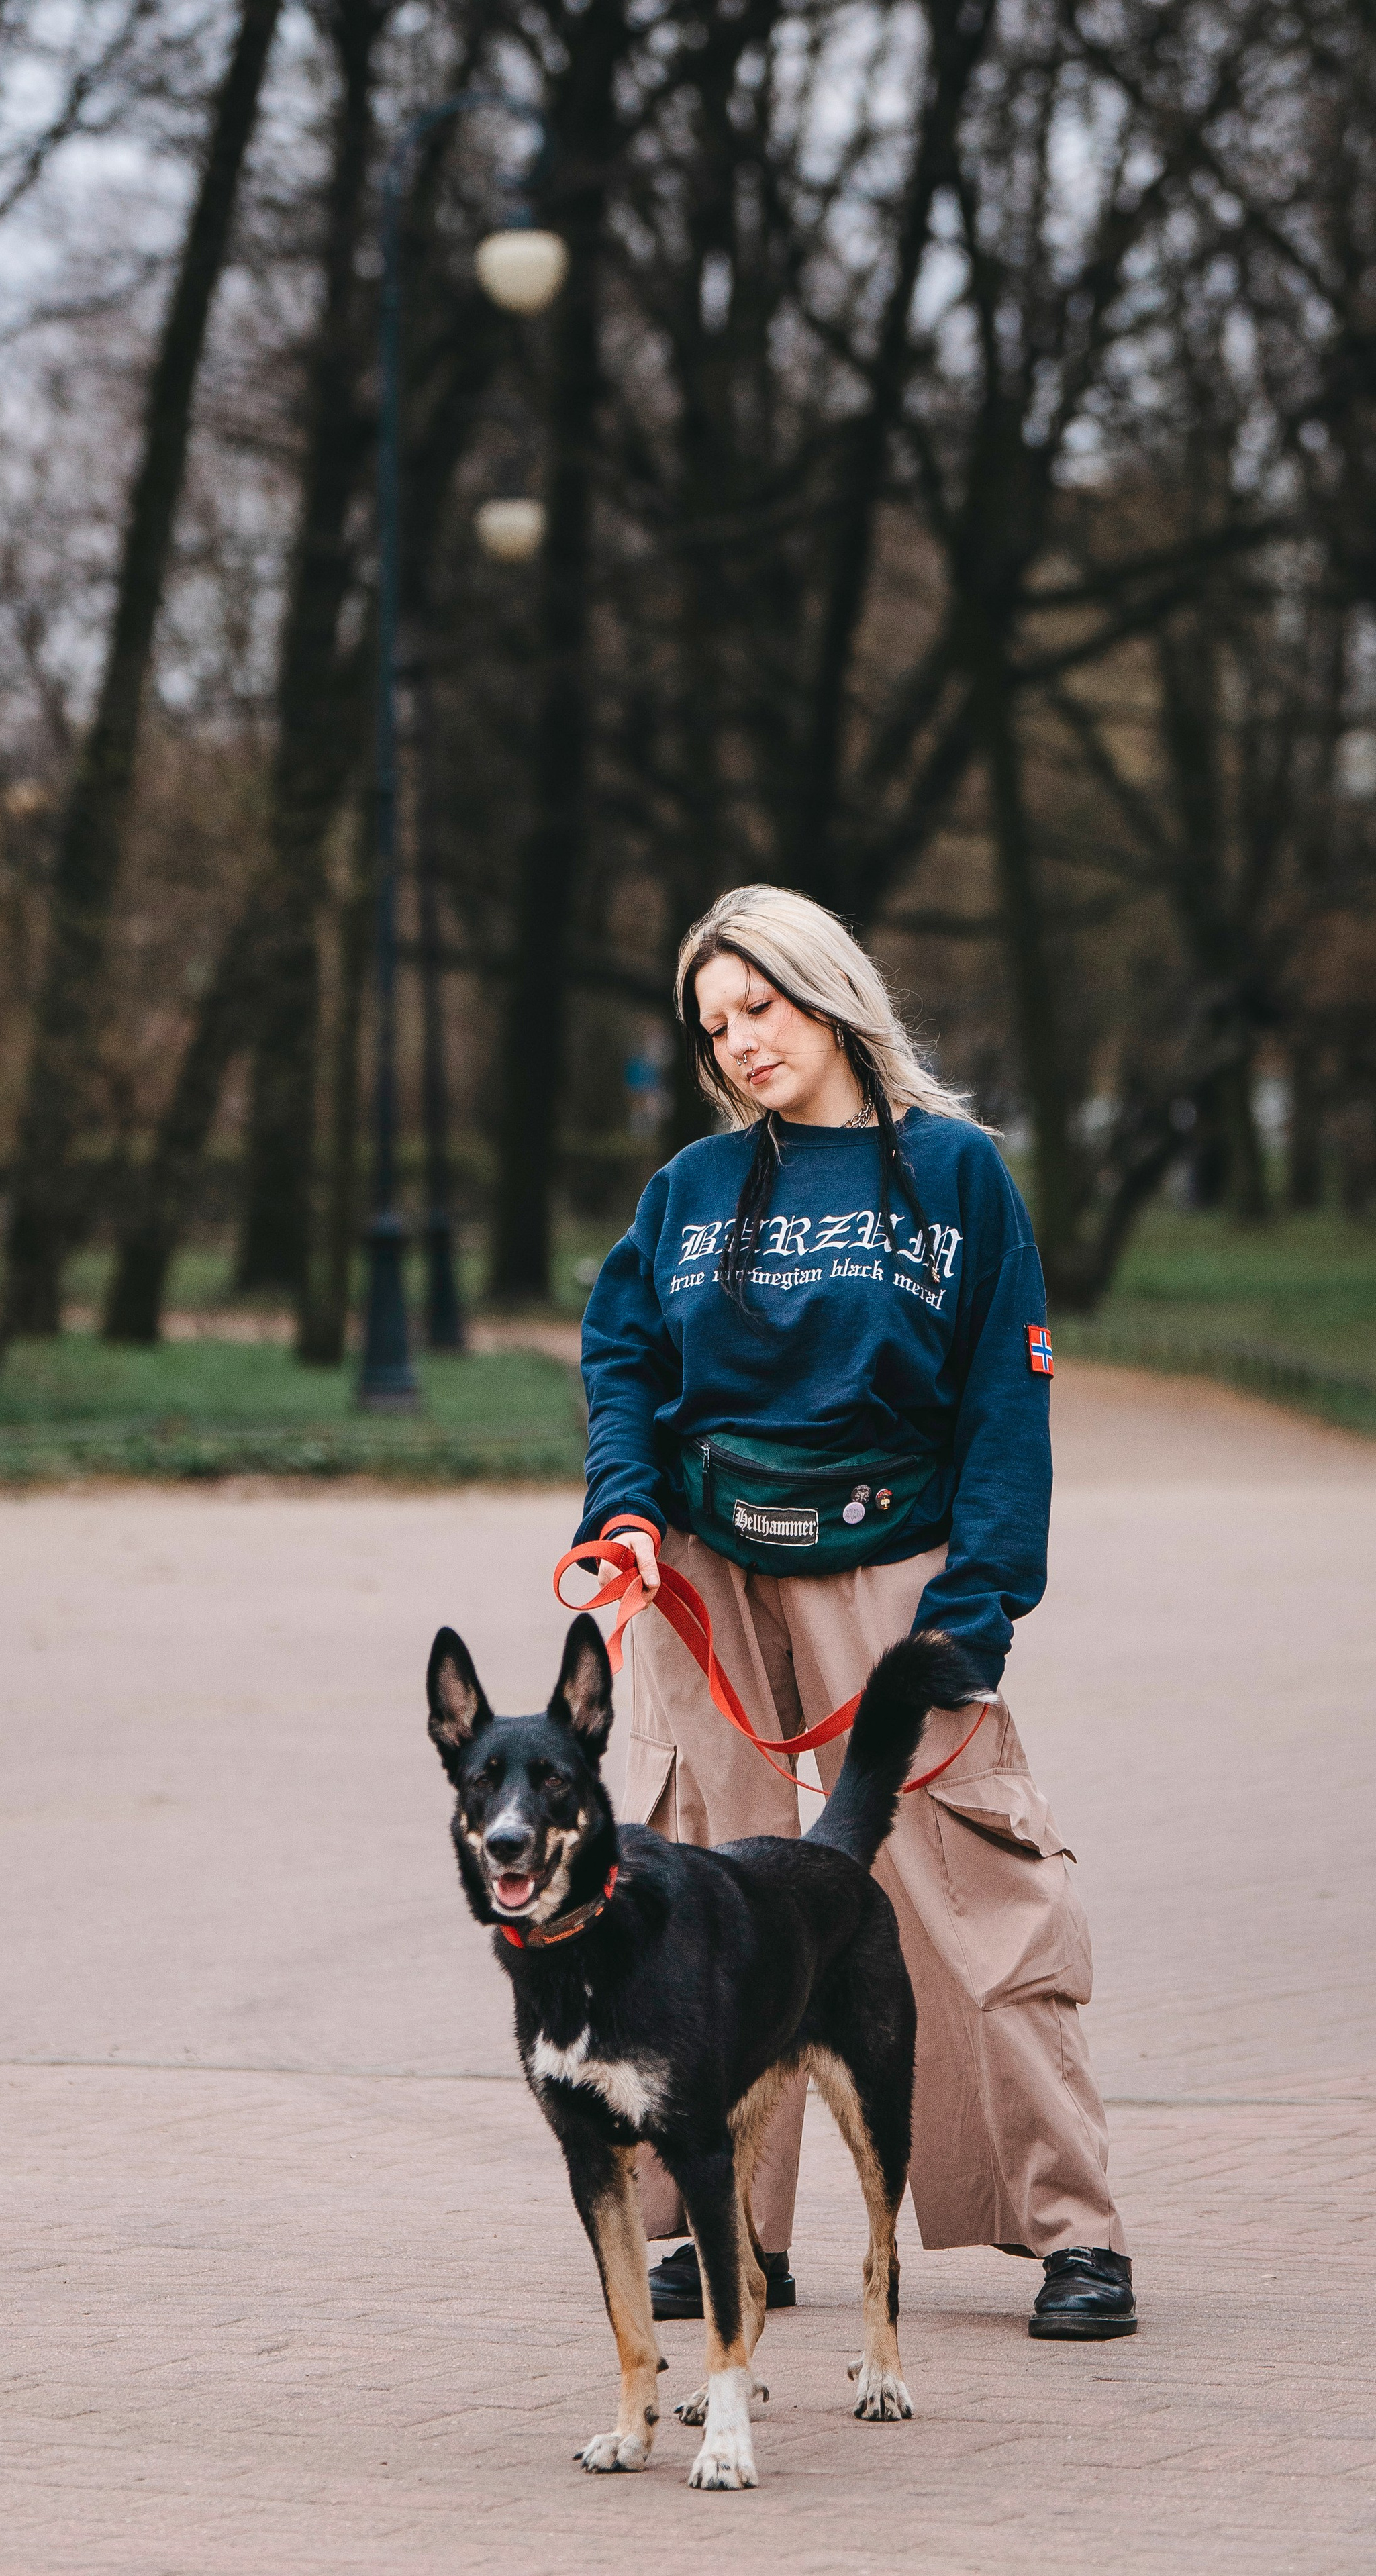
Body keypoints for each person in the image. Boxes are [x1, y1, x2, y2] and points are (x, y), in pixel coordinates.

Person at [574, 883, 1135, 2342]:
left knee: (976, 1888)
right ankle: (719, 2230)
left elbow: (1005, 1402)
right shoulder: (688, 1189)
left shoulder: (955, 1174)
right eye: (712, 1025)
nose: (738, 1041)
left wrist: (977, 1606)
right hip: (699, 1567)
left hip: (890, 1559)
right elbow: (620, 1358)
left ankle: (1069, 2231)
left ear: (825, 989)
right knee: (688, 1887)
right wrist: (620, 1512)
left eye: (756, 1003)